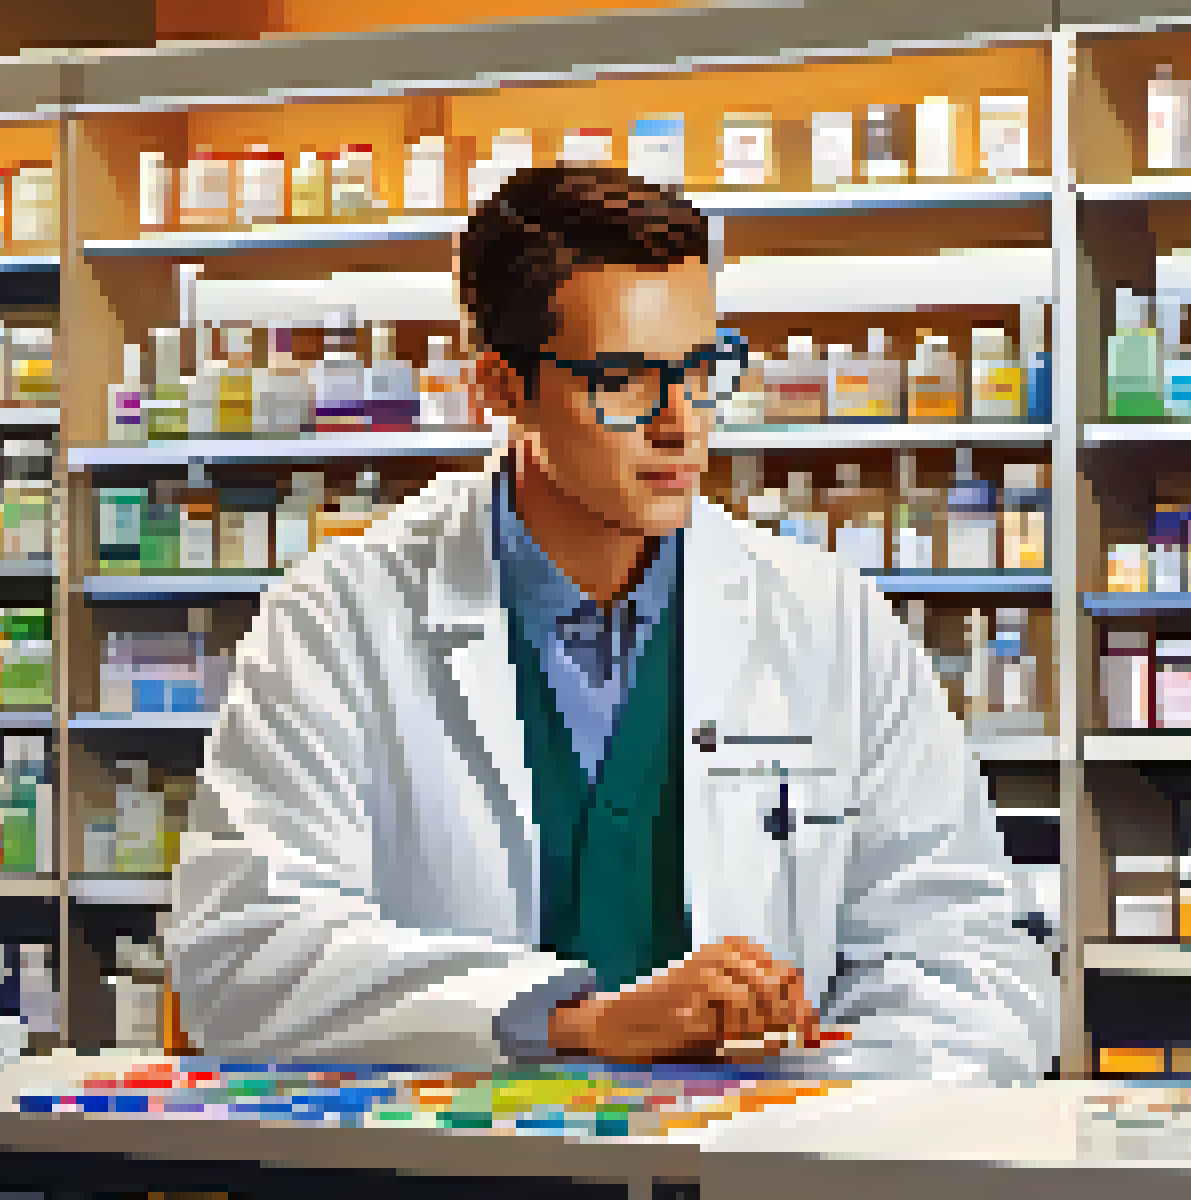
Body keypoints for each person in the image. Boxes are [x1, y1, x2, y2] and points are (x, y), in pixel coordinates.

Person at [170, 164, 1054, 1084]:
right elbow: (247, 958)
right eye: (627, 381)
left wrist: (801, 1108)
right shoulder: (340, 620)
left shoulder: (826, 621)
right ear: (500, 390)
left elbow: (975, 962)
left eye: (702, 371)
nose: (681, 425)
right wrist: (574, 1025)